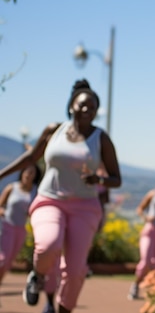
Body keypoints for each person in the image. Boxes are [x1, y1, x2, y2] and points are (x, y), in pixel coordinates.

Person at [0, 79, 122, 313]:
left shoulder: (101, 139)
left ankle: (63, 308)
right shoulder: (54, 130)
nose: (88, 109)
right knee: (47, 245)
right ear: (71, 106)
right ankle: (37, 275)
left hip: (85, 207)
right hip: (50, 200)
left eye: (93, 107)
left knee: (76, 271)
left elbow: (116, 179)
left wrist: (98, 180)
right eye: (83, 104)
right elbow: (30, 158)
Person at [128, 170, 155, 300]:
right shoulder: (154, 193)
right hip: (150, 231)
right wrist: (146, 218)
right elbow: (140, 208)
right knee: (146, 260)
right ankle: (136, 285)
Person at [0, 164, 42, 295]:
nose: (28, 175)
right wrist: (2, 211)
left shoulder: (36, 191)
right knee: (2, 259)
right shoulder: (12, 188)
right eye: (27, 171)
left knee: (8, 262)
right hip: (6, 226)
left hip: (20, 230)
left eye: (32, 173)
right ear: (22, 172)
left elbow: (36, 210)